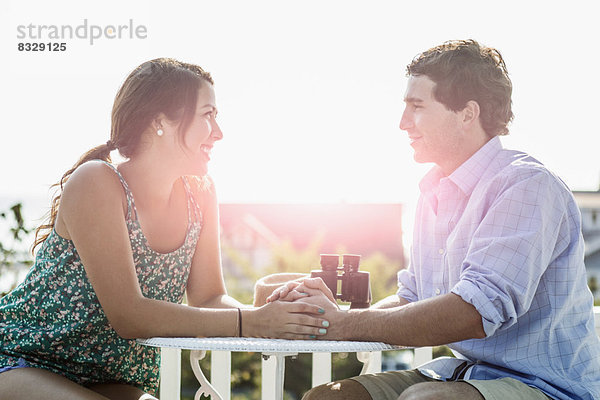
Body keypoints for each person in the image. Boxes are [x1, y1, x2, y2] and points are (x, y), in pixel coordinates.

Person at [269, 40, 600, 400]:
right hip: (470, 374)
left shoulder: (526, 187)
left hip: (548, 386)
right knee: (328, 397)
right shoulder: (432, 193)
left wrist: (343, 325)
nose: (402, 123)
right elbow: (411, 300)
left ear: (467, 114)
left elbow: (472, 313)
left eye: (417, 106)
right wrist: (329, 316)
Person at [0, 58, 329, 400]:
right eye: (207, 115)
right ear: (161, 121)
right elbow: (129, 315)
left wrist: (269, 312)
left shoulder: (200, 193)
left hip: (108, 376)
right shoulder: (96, 182)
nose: (219, 132)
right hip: (26, 360)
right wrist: (252, 322)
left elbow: (209, 299)